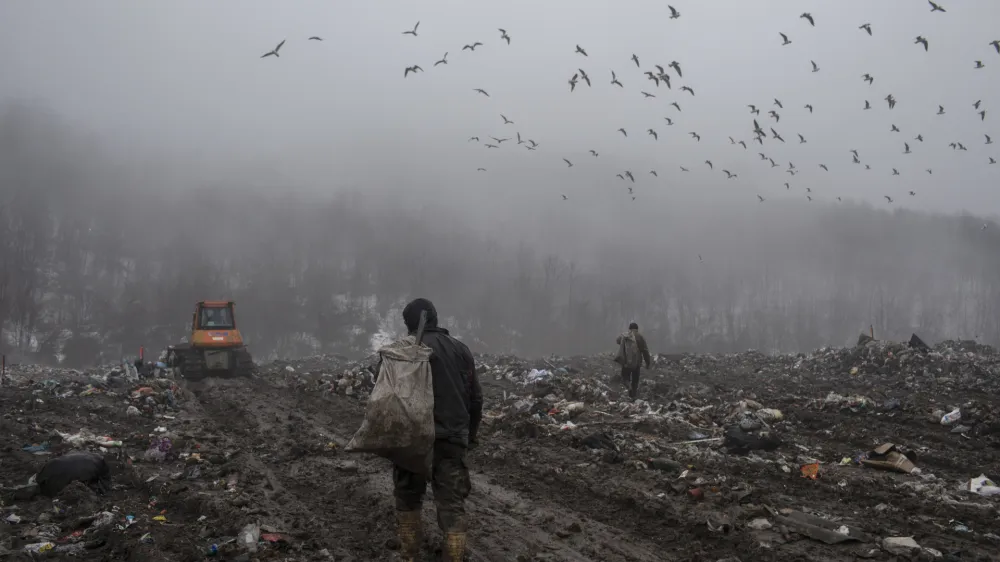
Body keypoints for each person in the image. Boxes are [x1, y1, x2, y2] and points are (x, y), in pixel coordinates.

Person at [392, 298, 482, 562]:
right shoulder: (460, 350)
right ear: (435, 318)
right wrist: (469, 436)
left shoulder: (402, 351)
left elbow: (385, 395)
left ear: (408, 324)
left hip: (411, 441)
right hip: (451, 439)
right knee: (452, 507)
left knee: (408, 500)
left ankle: (409, 556)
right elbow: (476, 399)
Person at [615, 322, 652, 400]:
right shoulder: (640, 337)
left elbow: (617, 341)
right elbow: (645, 351)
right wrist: (648, 363)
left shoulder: (625, 335)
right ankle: (633, 396)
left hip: (626, 362)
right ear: (637, 329)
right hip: (637, 363)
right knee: (635, 380)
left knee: (625, 377)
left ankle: (629, 387)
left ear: (629, 328)